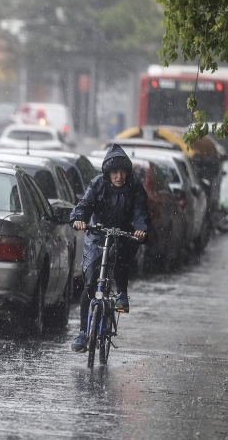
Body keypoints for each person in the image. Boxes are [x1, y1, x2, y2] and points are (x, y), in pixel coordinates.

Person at [68, 144, 150, 353]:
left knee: (122, 260)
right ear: (108, 172)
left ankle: (122, 293)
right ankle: (83, 332)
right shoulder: (97, 184)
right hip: (97, 234)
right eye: (115, 172)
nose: (119, 176)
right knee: (90, 283)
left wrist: (140, 229)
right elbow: (84, 206)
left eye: (122, 171)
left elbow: (140, 212)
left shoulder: (135, 188)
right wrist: (79, 219)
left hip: (124, 235)